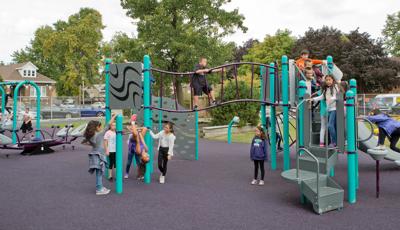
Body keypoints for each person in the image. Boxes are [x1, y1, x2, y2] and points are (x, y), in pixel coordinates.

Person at [82, 113, 117, 195]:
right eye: (99, 126)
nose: (101, 128)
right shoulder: (98, 135)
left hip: (94, 155)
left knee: (99, 173)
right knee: (100, 173)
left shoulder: (90, 136)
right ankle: (99, 189)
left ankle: (100, 187)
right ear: (96, 127)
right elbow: (107, 125)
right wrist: (114, 117)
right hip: (99, 156)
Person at [310, 75, 339, 147]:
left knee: (330, 125)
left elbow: (337, 96)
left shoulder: (335, 87)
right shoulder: (326, 89)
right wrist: (313, 99)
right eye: (327, 80)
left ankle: (334, 142)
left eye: (329, 80)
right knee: (330, 126)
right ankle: (332, 142)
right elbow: (322, 97)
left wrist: (331, 99)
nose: (328, 81)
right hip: (328, 109)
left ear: (332, 80)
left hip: (334, 109)